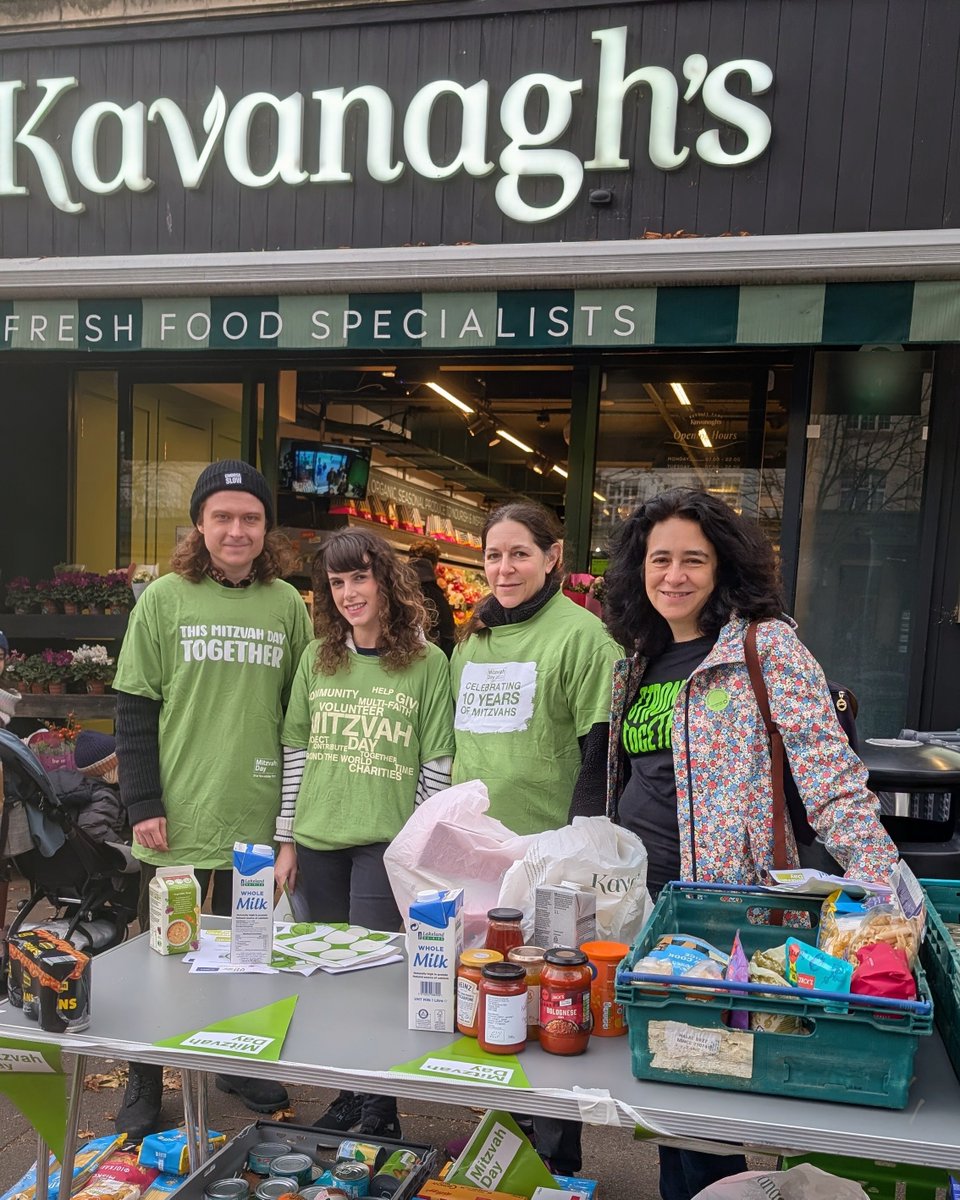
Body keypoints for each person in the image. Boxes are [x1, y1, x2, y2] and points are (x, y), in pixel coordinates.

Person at [602, 487, 899, 1200]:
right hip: (641, 907)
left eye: (693, 560)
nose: (674, 575)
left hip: (721, 915)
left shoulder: (765, 648)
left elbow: (832, 780)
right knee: (668, 1090)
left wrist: (888, 893)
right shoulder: (637, 659)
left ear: (722, 567)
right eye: (660, 558)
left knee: (708, 1090)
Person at [112, 460, 313, 1139]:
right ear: (200, 524)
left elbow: (300, 711)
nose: (236, 529)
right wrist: (142, 802)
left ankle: (234, 1060)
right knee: (164, 953)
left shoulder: (287, 605)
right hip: (178, 813)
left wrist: (291, 824)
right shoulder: (164, 599)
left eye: (249, 518)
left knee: (245, 951)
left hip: (254, 814)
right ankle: (146, 1074)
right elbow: (135, 707)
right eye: (222, 516)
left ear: (265, 529)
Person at [450, 501, 621, 1172]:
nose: (504, 567)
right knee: (494, 998)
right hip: (479, 856)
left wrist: (572, 846)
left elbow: (600, 747)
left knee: (552, 1006)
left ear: (553, 557)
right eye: (493, 555)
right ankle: (501, 1146)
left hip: (549, 859)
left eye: (519, 553)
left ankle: (556, 1158)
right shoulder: (475, 638)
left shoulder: (583, 636)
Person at [275, 527, 454, 1137]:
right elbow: (295, 748)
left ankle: (382, 1109)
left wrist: (415, 852)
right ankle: (350, 1094)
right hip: (318, 840)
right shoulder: (317, 657)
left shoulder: (429, 662)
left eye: (360, 577)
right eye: (337, 582)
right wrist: (286, 840)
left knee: (377, 979)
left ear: (387, 580)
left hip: (385, 844)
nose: (350, 592)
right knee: (330, 978)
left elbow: (437, 760)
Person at [407, 538, 457, 658]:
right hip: (429, 662)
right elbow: (448, 638)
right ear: (434, 565)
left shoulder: (394, 589)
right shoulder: (437, 597)